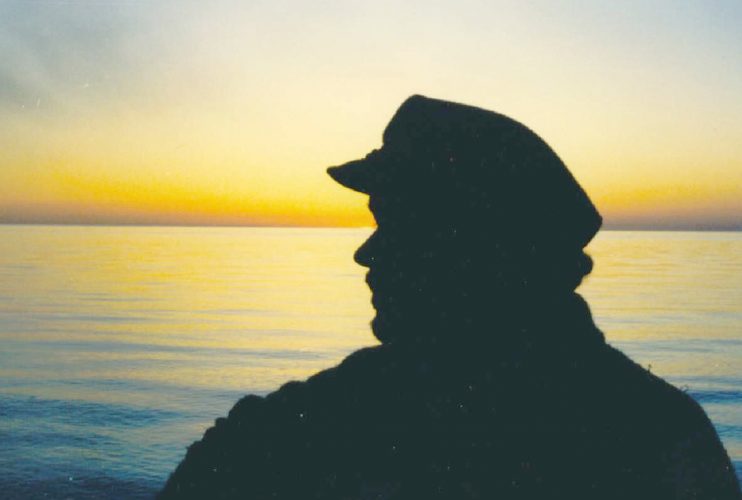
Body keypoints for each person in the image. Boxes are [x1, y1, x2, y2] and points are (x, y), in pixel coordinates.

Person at [159, 95, 740, 499]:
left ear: (487, 248)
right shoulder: (659, 430)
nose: (367, 254)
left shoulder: (651, 446)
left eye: (400, 225)